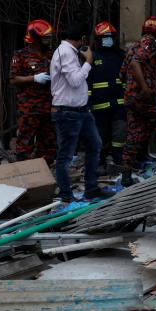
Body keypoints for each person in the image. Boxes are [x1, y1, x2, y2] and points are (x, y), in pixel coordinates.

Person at [49, 21, 112, 202]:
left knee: (94, 145)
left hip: (81, 111)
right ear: (81, 38)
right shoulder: (65, 53)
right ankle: (66, 195)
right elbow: (75, 80)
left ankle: (91, 189)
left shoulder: (71, 52)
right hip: (68, 112)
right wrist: (89, 62)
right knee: (66, 156)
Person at [122, 16, 156, 185]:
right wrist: (145, 87)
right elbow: (135, 64)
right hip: (148, 99)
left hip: (133, 99)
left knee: (134, 135)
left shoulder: (132, 47)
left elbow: (122, 73)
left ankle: (125, 176)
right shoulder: (150, 42)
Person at [9, 19, 57, 164]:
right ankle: (26, 173)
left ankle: (44, 173)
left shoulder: (51, 55)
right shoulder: (21, 56)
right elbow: (13, 80)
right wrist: (33, 78)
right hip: (29, 108)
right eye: (45, 37)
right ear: (35, 38)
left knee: (48, 144)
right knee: (25, 142)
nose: (48, 40)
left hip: (48, 107)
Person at [88, 21, 125, 169]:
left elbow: (128, 78)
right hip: (99, 104)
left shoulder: (121, 55)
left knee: (120, 134)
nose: (108, 40)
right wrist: (88, 104)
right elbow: (87, 81)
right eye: (105, 37)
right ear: (98, 39)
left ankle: (119, 160)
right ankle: (101, 162)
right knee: (99, 135)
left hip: (119, 103)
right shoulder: (92, 57)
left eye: (110, 37)